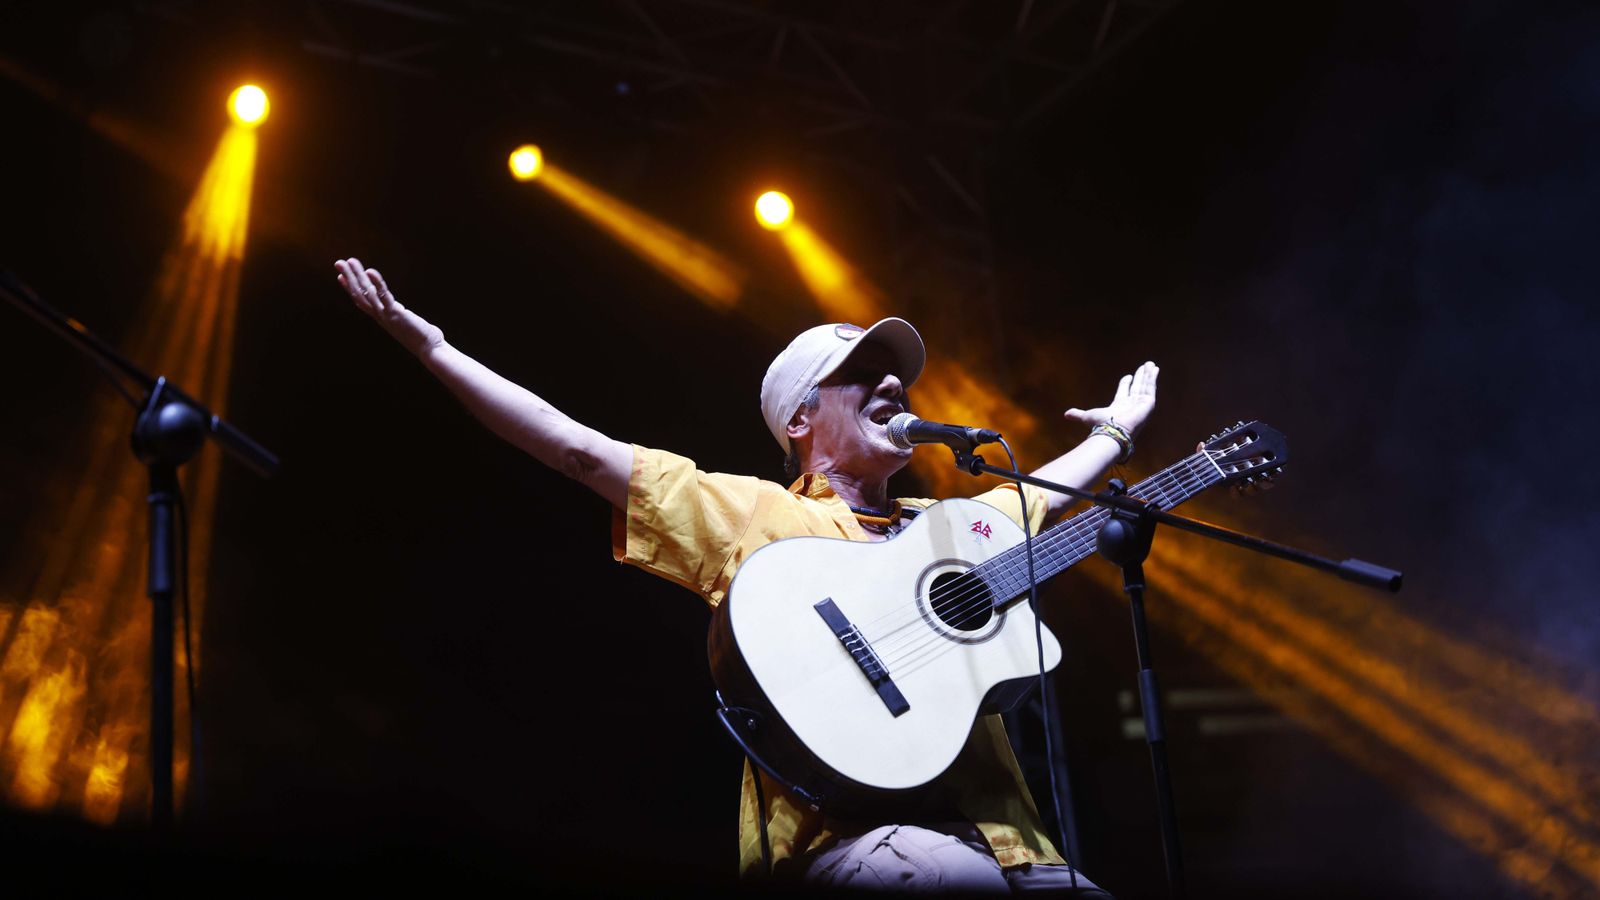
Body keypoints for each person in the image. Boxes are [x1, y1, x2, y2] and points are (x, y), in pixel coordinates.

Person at [334, 257, 1157, 894]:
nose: (894, 383)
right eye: (862, 374)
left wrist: (1118, 434)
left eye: (896, 372)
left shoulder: (944, 531)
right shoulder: (758, 516)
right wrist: (434, 349)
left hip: (1008, 844)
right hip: (848, 843)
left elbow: (1036, 504)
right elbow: (577, 447)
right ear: (801, 420)